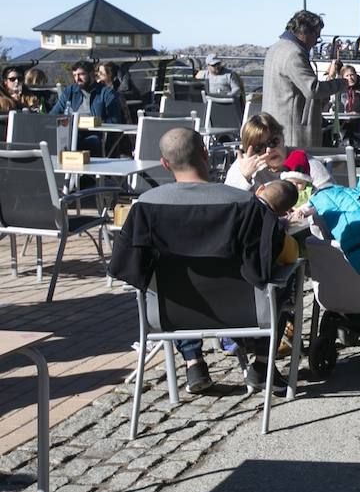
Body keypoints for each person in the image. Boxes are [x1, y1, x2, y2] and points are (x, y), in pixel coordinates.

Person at [110, 127, 291, 395]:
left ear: (165, 163)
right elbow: (268, 258)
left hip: (170, 317)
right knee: (287, 274)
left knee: (168, 284)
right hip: (243, 313)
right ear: (205, 154)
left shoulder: (145, 208)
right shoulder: (244, 204)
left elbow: (128, 268)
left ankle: (193, 361)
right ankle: (262, 365)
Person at [262, 10, 346, 149]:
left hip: (273, 123)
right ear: (305, 32)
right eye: (316, 37)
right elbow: (312, 89)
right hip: (292, 130)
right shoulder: (294, 53)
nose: (315, 43)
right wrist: (340, 84)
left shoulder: (275, 48)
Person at [226, 112, 332, 191]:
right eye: (259, 147)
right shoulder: (244, 166)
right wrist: (244, 178)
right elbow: (228, 206)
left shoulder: (305, 163)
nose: (269, 150)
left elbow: (330, 198)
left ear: (283, 137)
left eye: (273, 142)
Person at [51, 59, 123, 123]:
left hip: (94, 133)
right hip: (70, 132)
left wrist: (94, 123)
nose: (77, 79)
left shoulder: (106, 93)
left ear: (91, 74)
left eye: (81, 74)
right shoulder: (69, 91)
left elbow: (115, 120)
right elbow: (53, 114)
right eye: (75, 75)